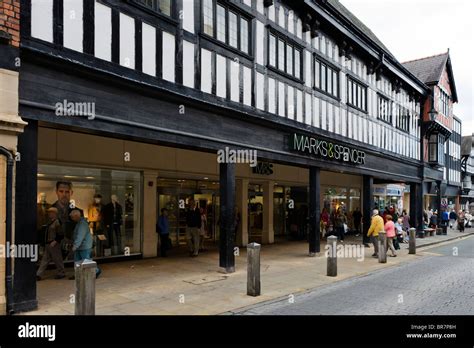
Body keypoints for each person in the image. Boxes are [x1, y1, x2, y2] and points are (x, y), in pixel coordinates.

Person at [51, 181, 83, 260]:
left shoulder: (79, 212)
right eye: (61, 191)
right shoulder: (49, 211)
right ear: (56, 192)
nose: (64, 194)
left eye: (67, 192)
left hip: (72, 254)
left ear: (71, 193)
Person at [69, 209, 101, 279]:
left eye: (72, 217)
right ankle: (78, 274)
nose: (72, 219)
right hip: (81, 246)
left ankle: (96, 271)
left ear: (76, 216)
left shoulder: (82, 224)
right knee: (78, 261)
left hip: (84, 246)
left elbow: (80, 236)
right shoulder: (79, 223)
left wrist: (75, 246)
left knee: (86, 261)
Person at [36, 207, 65, 280]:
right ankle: (38, 274)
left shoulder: (57, 222)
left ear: (55, 214)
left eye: (51, 212)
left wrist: (55, 241)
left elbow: (61, 234)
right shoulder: (50, 222)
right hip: (48, 243)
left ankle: (61, 273)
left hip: (53, 243)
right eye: (49, 212)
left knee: (57, 259)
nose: (49, 214)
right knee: (45, 259)